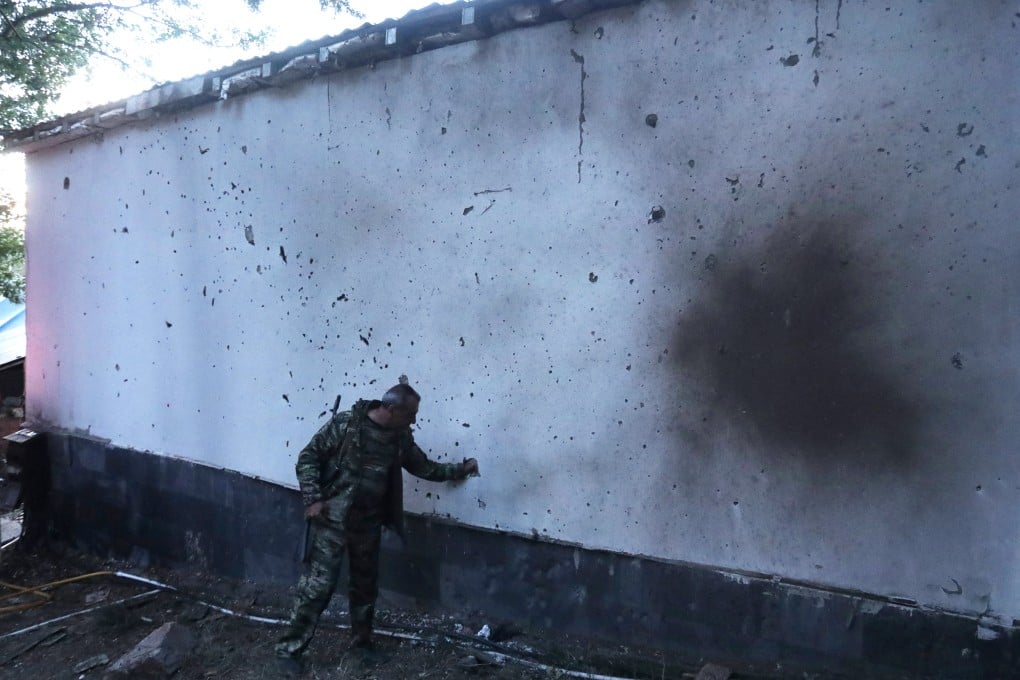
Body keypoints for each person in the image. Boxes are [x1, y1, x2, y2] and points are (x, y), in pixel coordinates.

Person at [274, 382, 479, 676]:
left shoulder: (399, 437)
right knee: (318, 588)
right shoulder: (347, 424)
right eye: (410, 414)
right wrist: (313, 498)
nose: (414, 420)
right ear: (391, 409)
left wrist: (460, 469)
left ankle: (361, 645)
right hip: (332, 520)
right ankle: (288, 651)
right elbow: (309, 456)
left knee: (365, 587)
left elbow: (424, 467)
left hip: (368, 523)